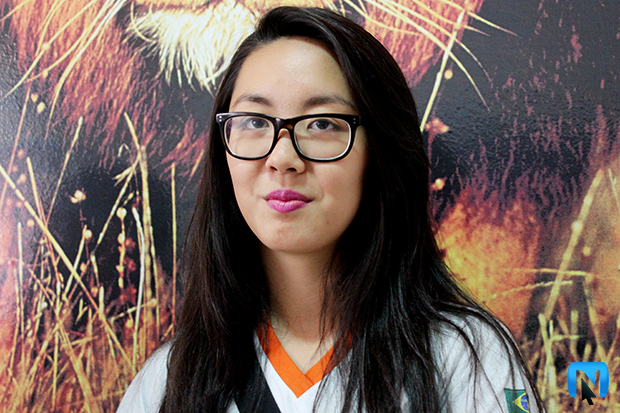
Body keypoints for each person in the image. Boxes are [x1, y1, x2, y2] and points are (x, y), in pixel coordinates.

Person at [117, 6, 544, 413]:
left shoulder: (468, 360)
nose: (282, 158)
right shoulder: (166, 381)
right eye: (254, 122)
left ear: (380, 152)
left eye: (322, 123)